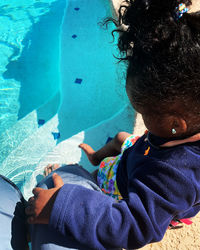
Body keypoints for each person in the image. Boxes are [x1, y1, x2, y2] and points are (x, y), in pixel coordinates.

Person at [25, 0, 200, 249]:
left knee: (69, 179)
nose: (143, 121)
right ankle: (97, 159)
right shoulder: (180, 129)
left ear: (176, 123)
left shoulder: (174, 178)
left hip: (122, 190)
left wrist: (60, 206)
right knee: (120, 137)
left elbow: (131, 225)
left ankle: (91, 177)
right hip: (137, 160)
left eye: (144, 112)